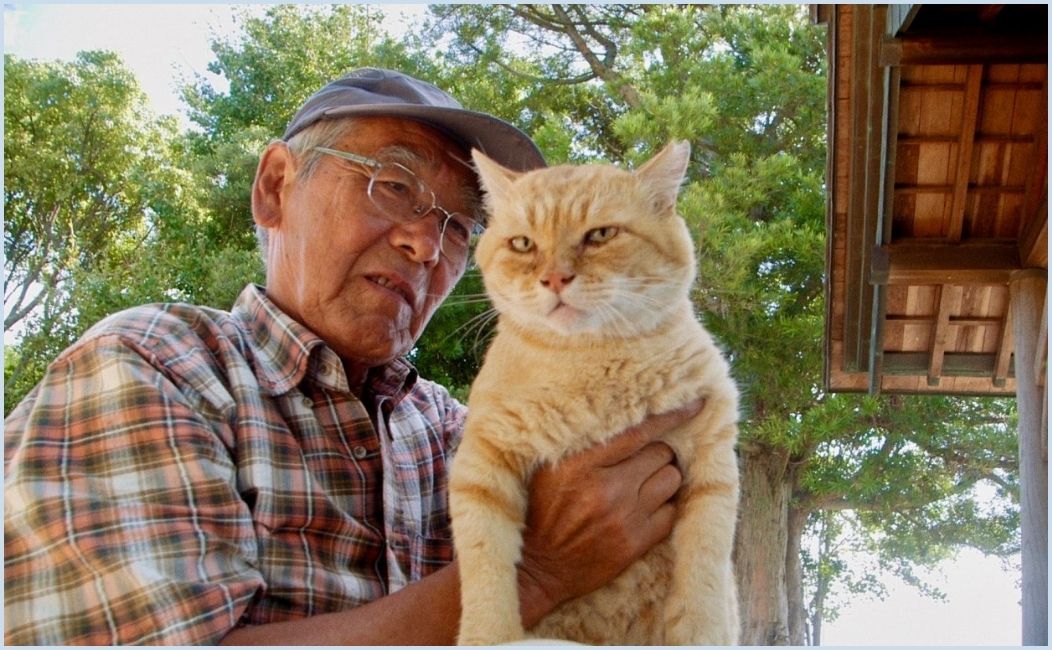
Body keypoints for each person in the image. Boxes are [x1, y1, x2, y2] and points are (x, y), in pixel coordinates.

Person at [3, 68, 697, 645]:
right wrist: (529, 573)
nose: (427, 246)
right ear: (276, 187)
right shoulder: (156, 367)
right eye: (394, 186)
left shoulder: (456, 432)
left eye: (460, 226)